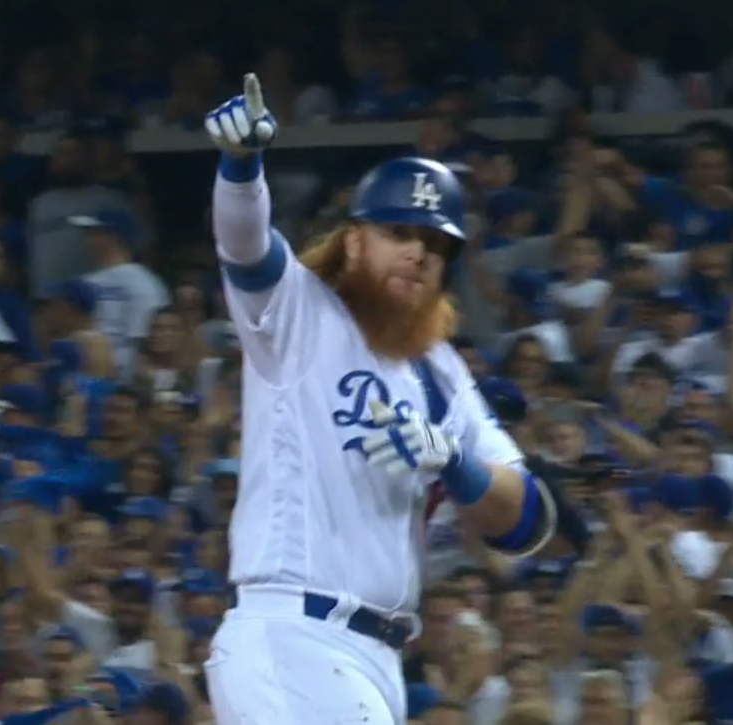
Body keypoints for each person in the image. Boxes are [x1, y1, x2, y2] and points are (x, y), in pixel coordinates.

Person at [198, 73, 563, 725]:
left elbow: (528, 521)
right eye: (399, 232)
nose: (418, 252)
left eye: (435, 244)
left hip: (379, 659)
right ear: (355, 239)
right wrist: (241, 167)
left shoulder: (442, 372)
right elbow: (245, 247)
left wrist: (459, 466)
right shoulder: (299, 313)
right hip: (292, 634)